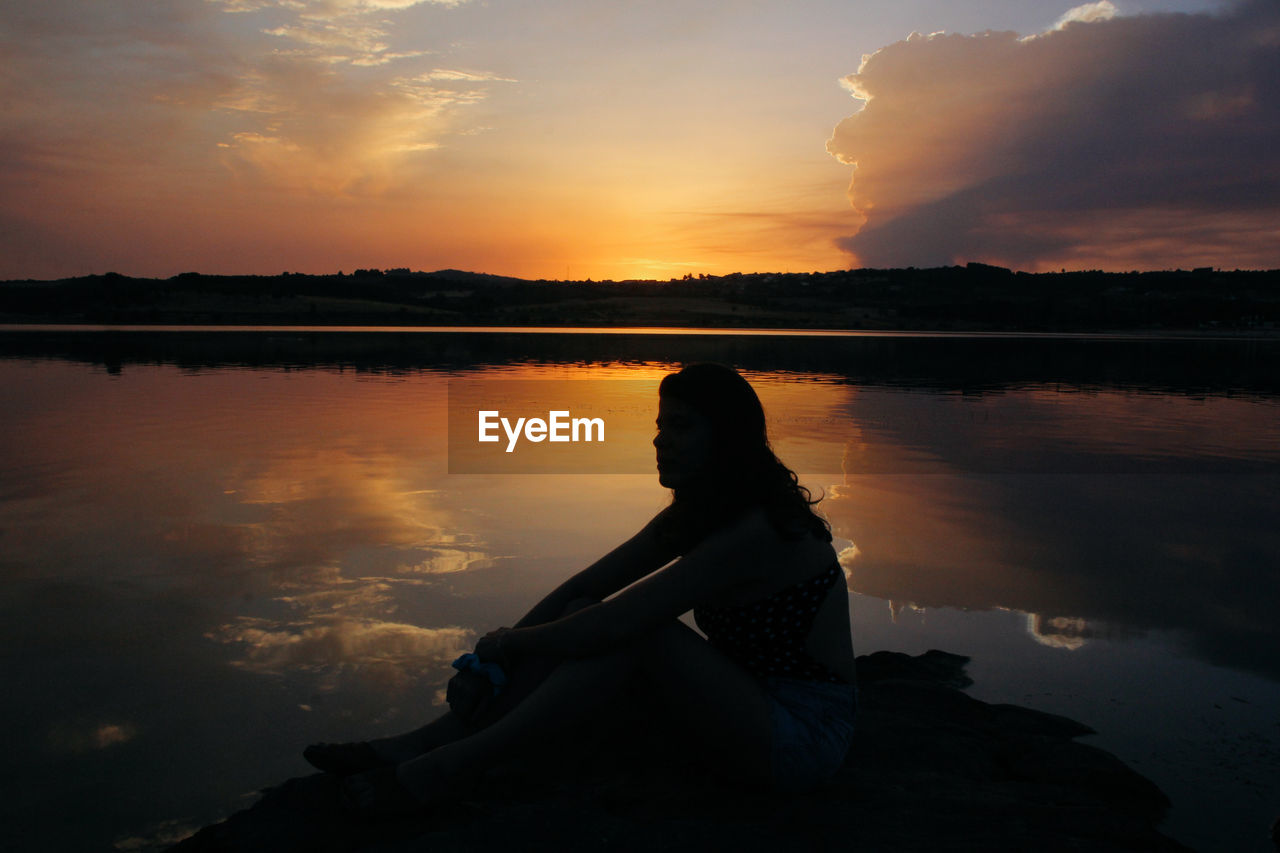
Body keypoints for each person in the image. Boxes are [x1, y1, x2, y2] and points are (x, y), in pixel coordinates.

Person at [306, 363, 857, 816]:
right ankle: (425, 742)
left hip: (799, 737)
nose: (660, 441)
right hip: (739, 703)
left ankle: (443, 768)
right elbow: (588, 585)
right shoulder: (699, 514)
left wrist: (510, 644)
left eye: (682, 427)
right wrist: (485, 664)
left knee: (640, 634)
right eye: (661, 425)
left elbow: (622, 624)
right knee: (579, 613)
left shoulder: (756, 530)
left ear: (727, 438)